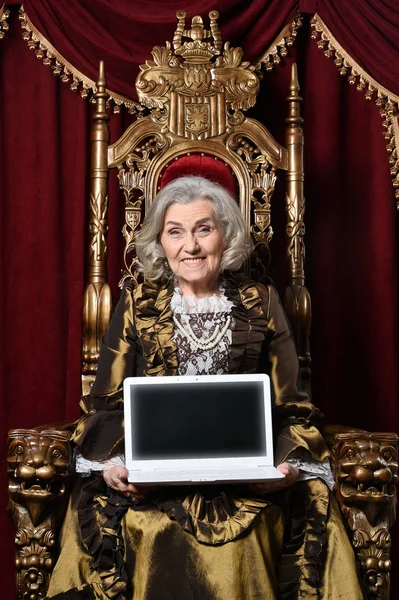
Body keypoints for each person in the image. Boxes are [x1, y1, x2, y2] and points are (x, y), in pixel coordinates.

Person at [47, 176, 362, 600]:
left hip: (242, 478)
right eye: (175, 232)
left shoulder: (262, 301)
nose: (190, 246)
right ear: (160, 241)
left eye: (203, 229)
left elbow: (293, 408)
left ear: (225, 235)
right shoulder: (137, 304)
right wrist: (118, 463)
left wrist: (283, 468)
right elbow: (106, 404)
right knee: (150, 528)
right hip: (155, 481)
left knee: (265, 528)